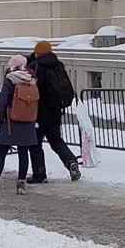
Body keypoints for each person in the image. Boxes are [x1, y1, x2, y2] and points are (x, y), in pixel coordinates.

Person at [0, 55, 39, 197]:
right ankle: (21, 185)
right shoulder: (32, 80)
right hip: (28, 121)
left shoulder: (10, 79)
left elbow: (2, 101)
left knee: (1, 154)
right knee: (24, 154)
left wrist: (0, 120)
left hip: (10, 122)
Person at [26, 41, 81, 184]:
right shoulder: (58, 65)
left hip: (38, 113)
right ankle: (71, 162)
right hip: (55, 111)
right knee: (56, 141)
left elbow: (32, 90)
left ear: (37, 52)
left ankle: (39, 174)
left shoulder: (35, 67)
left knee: (35, 144)